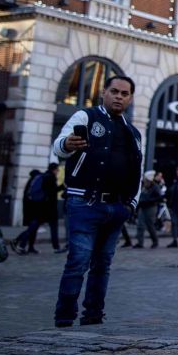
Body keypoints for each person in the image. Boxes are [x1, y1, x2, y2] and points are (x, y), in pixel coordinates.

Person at [51, 75, 143, 327]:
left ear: (130, 98)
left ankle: (93, 314)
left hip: (116, 207)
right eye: (114, 91)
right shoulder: (85, 117)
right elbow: (58, 147)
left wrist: (130, 206)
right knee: (78, 261)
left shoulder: (133, 133)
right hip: (84, 202)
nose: (119, 96)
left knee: (103, 265)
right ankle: (65, 316)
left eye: (124, 94)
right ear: (104, 92)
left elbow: (138, 170)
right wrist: (67, 144)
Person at [13, 162, 64, 254]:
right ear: (54, 170)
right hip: (48, 208)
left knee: (34, 226)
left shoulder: (43, 176)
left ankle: (22, 243)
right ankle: (56, 247)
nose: (58, 171)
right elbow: (52, 192)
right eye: (57, 170)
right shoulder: (50, 177)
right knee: (49, 227)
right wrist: (63, 186)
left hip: (40, 206)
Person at [134, 171, 162, 249]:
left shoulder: (155, 187)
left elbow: (159, 197)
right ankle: (140, 242)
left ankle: (155, 241)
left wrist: (148, 200)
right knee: (140, 225)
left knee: (150, 225)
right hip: (143, 207)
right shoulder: (144, 186)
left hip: (151, 208)